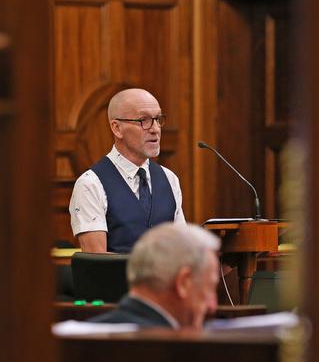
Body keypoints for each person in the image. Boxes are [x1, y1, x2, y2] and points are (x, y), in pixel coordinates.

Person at [69, 88, 185, 253]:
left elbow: (182, 250)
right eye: (144, 120)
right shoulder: (90, 184)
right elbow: (97, 264)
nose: (155, 129)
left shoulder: (169, 178)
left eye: (158, 119)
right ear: (117, 128)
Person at [89, 223, 220, 330]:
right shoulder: (176, 352)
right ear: (183, 283)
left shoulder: (81, 336)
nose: (212, 305)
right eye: (209, 288)